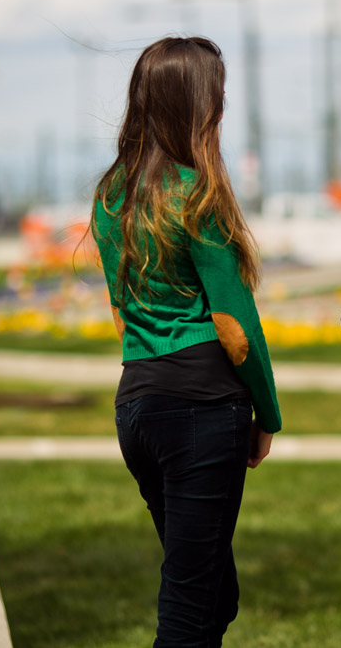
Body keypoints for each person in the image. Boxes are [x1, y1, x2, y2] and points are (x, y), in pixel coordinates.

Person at [90, 36, 281, 647]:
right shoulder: (198, 194)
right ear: (200, 109)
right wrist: (268, 416)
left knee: (213, 593)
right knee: (191, 604)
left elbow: (122, 312)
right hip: (202, 409)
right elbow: (236, 328)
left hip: (137, 406)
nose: (223, 111)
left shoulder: (111, 194)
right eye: (218, 99)